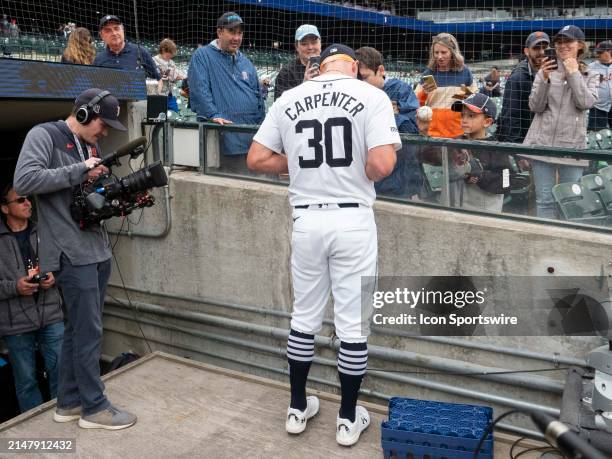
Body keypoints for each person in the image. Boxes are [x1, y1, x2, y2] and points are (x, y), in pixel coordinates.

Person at [247, 43, 400, 447]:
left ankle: (297, 408)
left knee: (304, 317)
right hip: (352, 218)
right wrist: (357, 164)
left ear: (320, 66)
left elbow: (258, 159)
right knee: (351, 323)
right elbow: (382, 166)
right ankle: (348, 419)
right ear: (352, 66)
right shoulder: (372, 94)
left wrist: (296, 162)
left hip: (307, 220)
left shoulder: (289, 97)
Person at [13, 88, 137, 430]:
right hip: (70, 252)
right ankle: (94, 408)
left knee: (77, 332)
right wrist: (80, 169)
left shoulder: (91, 146)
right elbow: (24, 179)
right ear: (83, 114)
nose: (106, 131)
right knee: (88, 333)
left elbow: (79, 194)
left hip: (94, 248)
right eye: (102, 122)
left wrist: (107, 190)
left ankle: (68, 402)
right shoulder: (44, 134)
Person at [521, 25, 599, 219]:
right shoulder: (545, 70)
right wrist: (545, 79)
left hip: (571, 148)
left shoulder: (590, 74)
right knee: (544, 200)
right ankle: (545, 241)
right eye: (559, 42)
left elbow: (585, 103)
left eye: (568, 41)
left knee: (573, 200)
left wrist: (573, 74)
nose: (562, 46)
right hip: (543, 144)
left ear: (580, 45)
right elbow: (535, 106)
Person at [0, 186, 64, 413]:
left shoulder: (44, 231)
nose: (28, 203)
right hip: (15, 321)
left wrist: (54, 277)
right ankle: (35, 432)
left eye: (29, 199)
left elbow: (64, 264)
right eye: (20, 200)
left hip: (50, 314)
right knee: (26, 380)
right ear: (5, 208)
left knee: (61, 370)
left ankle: (62, 416)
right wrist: (15, 287)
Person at [188, 12, 265, 172]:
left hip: (251, 139)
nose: (236, 38)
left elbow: (258, 98)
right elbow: (199, 90)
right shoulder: (202, 56)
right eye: (231, 32)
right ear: (219, 32)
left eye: (239, 33)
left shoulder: (246, 62)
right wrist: (212, 114)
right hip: (225, 140)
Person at [356, 46, 422, 198]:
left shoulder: (401, 90)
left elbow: (412, 131)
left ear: (380, 70)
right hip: (365, 179)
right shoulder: (356, 93)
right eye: (358, 79)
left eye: (365, 78)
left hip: (398, 178)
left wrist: (387, 115)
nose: (361, 84)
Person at [448, 93, 511, 212]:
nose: (464, 120)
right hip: (455, 208)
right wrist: (424, 131)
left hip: (483, 213)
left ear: (487, 122)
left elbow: (506, 183)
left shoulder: (496, 148)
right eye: (462, 115)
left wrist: (480, 176)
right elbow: (431, 158)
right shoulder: (455, 142)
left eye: (471, 116)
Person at [415, 33, 477, 138]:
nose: (439, 57)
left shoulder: (464, 72)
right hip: (432, 133)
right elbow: (415, 104)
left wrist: (465, 94)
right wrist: (423, 94)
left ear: (453, 52)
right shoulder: (428, 74)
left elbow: (475, 101)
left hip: (458, 133)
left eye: (444, 52)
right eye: (436, 52)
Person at [497, 31, 550, 143]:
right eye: (536, 48)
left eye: (545, 48)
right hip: (528, 141)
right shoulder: (518, 78)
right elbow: (511, 116)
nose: (542, 52)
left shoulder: (554, 72)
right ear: (527, 51)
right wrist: (517, 149)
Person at [93, 15, 160, 80]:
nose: (114, 33)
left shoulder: (140, 52)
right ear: (101, 36)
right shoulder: (98, 59)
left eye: (116, 28)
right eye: (108, 30)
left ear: (123, 30)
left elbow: (159, 79)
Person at [274, 24, 322, 100]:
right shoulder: (287, 73)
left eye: (314, 42)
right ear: (297, 47)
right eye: (304, 44)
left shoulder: (329, 67)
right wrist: (304, 87)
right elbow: (280, 107)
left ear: (320, 44)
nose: (310, 47)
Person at [153, 38, 185, 113]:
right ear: (163, 50)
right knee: (158, 118)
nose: (170, 57)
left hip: (170, 95)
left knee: (175, 113)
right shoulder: (153, 61)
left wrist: (183, 77)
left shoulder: (171, 63)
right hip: (157, 95)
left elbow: (178, 76)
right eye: (169, 55)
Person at [588, 41, 612, 130]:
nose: (597, 54)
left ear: (609, 51)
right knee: (595, 134)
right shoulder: (591, 67)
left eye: (600, 52)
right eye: (597, 52)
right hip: (598, 107)